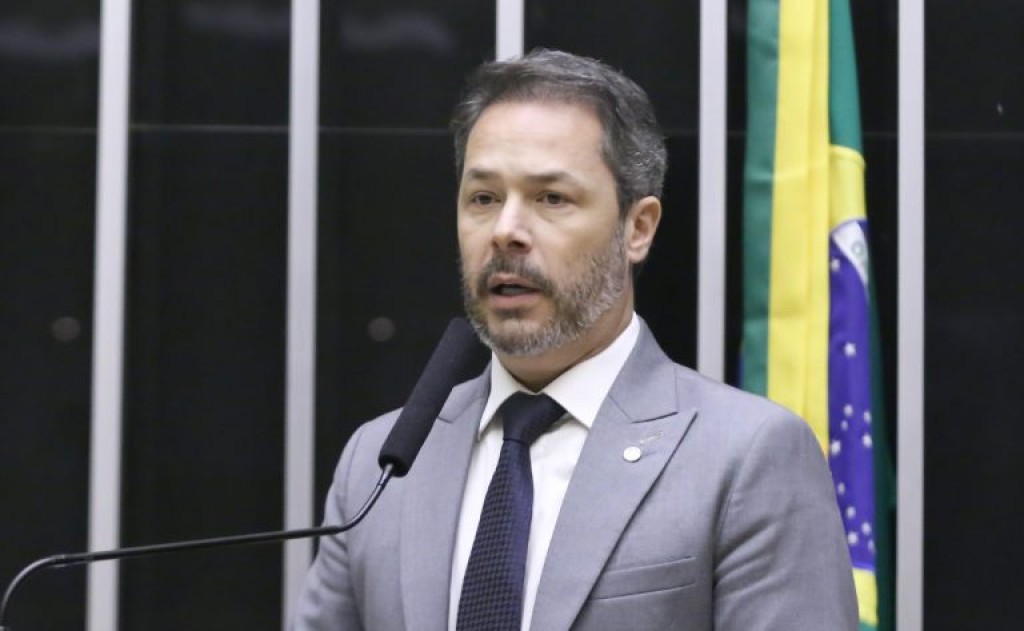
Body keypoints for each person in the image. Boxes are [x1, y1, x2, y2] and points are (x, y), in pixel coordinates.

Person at [293, 49, 858, 631]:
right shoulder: (379, 464)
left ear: (637, 228)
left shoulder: (748, 455)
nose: (506, 231)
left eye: (551, 199)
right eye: (484, 198)